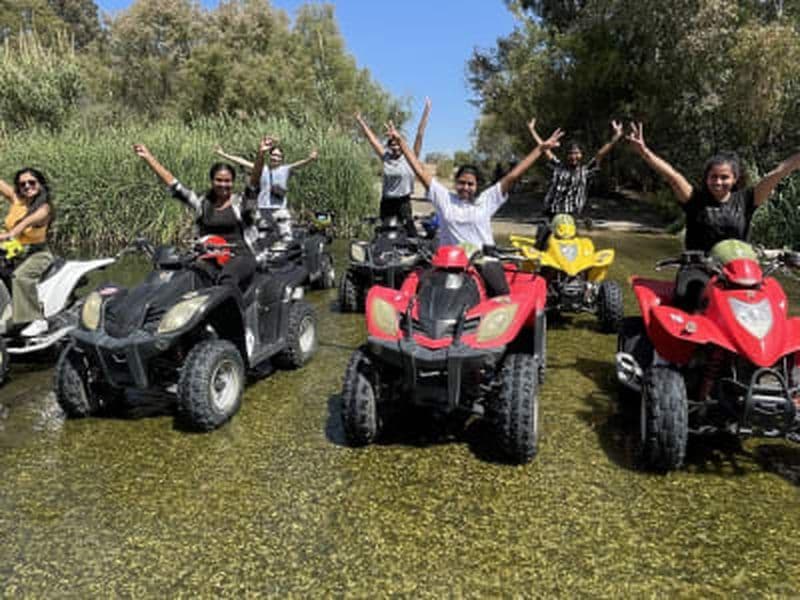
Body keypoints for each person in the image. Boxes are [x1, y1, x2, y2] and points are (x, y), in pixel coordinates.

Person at [626, 121, 800, 309]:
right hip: (698, 271)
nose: (718, 182)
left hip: (740, 274)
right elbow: (673, 177)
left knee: (770, 304)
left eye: (724, 177)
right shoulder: (695, 200)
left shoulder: (747, 199)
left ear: (734, 179)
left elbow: (777, 174)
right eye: (713, 177)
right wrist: (644, 152)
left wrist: (796, 159)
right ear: (706, 178)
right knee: (692, 301)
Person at [386, 120, 563, 296]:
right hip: (449, 262)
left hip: (482, 259)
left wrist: (540, 149)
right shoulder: (444, 198)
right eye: (461, 183)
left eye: (470, 184)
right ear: (456, 183)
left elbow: (513, 176)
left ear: (477, 186)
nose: (465, 187)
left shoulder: (487, 199)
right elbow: (420, 171)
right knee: (422, 290)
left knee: (502, 293)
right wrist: (401, 141)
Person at [133, 138, 268, 291]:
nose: (223, 185)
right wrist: (148, 157)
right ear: (212, 181)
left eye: (227, 181)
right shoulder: (202, 203)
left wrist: (261, 154)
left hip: (240, 256)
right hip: (210, 257)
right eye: (219, 180)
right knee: (188, 277)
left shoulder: (241, 204)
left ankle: (234, 313)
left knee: (227, 279)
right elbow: (174, 186)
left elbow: (253, 184)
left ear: (233, 182)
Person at [355, 97, 432, 237]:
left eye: (397, 143)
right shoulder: (386, 157)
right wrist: (360, 121)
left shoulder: (410, 157)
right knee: (385, 234)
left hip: (403, 201)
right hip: (387, 202)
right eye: (392, 145)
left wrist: (426, 111)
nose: (396, 147)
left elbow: (420, 134)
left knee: (410, 234)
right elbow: (372, 139)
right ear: (389, 147)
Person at [215, 139, 318, 239]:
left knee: (285, 237)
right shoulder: (261, 169)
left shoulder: (285, 169)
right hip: (263, 209)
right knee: (263, 238)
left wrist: (310, 159)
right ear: (270, 156)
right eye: (273, 155)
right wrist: (223, 154)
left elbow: (300, 164)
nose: (275, 158)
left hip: (280, 209)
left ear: (282, 158)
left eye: (278, 156)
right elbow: (241, 161)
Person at [528, 119, 624, 218]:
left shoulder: (585, 171)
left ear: (582, 155)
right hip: (550, 212)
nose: (574, 156)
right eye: (571, 153)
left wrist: (616, 137)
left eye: (577, 153)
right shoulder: (558, 166)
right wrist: (532, 130)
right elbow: (544, 149)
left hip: (571, 215)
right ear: (566, 155)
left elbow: (600, 154)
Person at [0, 168, 54, 336]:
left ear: (40, 184)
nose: (27, 186)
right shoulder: (17, 200)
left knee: (20, 276)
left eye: (32, 182)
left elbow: (26, 223)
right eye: (23, 184)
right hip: (13, 253)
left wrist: (9, 234)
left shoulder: (44, 208)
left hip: (37, 254)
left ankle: (38, 320)